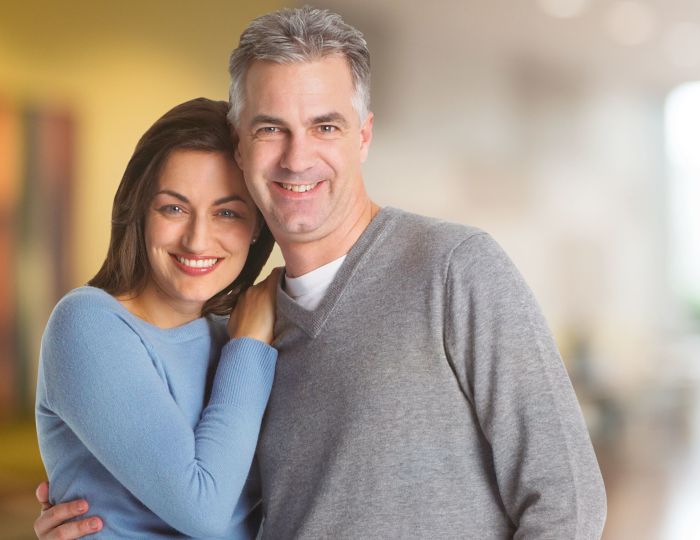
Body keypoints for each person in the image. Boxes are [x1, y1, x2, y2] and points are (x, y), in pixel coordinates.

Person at [39, 6, 607, 538]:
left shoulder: (455, 269)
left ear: (363, 135)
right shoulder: (247, 334)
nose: (296, 157)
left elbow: (568, 498)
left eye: (325, 126)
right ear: (240, 144)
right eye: (270, 128)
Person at [33, 98, 281, 539]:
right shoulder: (88, 322)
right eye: (174, 208)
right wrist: (249, 349)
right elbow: (202, 511)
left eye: (227, 212)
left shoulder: (240, 333)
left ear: (258, 225)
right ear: (140, 210)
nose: (197, 239)